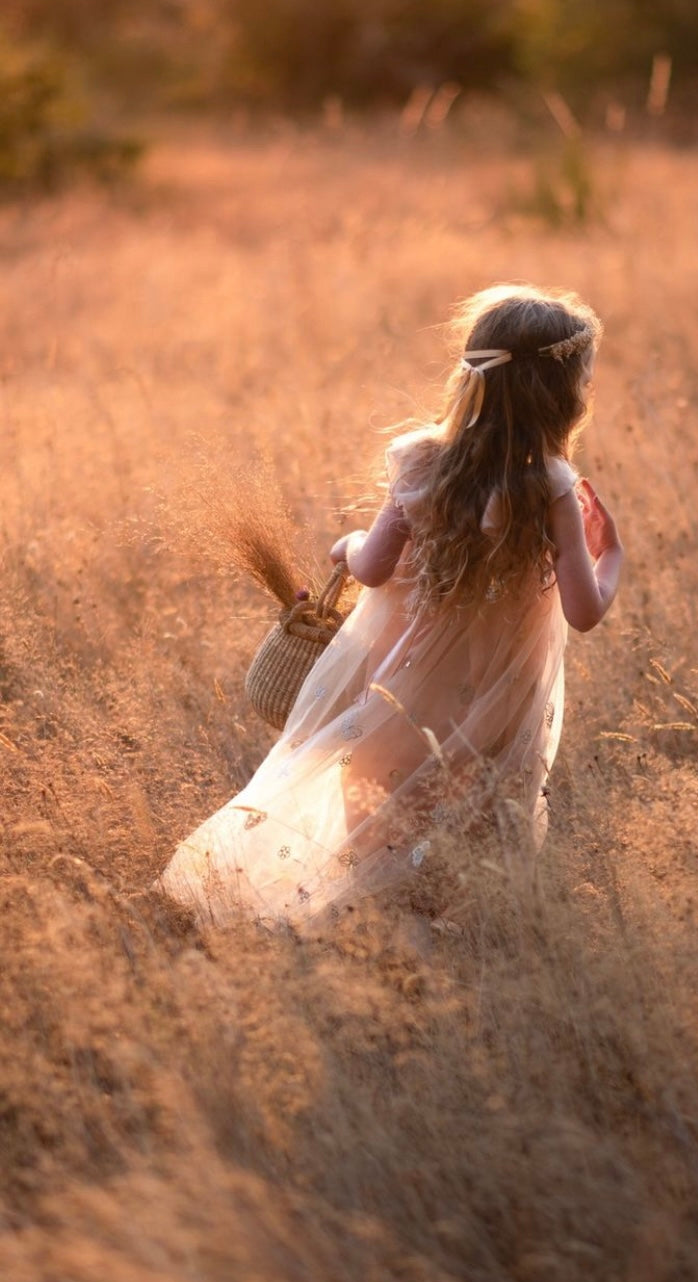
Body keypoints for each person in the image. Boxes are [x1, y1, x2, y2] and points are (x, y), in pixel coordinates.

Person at [160, 285, 622, 929]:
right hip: (495, 700)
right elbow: (584, 611)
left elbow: (371, 566)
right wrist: (613, 555)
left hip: (400, 686)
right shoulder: (551, 486)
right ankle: (458, 929)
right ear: (564, 396)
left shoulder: (419, 461)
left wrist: (344, 544)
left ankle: (368, 919)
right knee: (482, 812)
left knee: (374, 806)